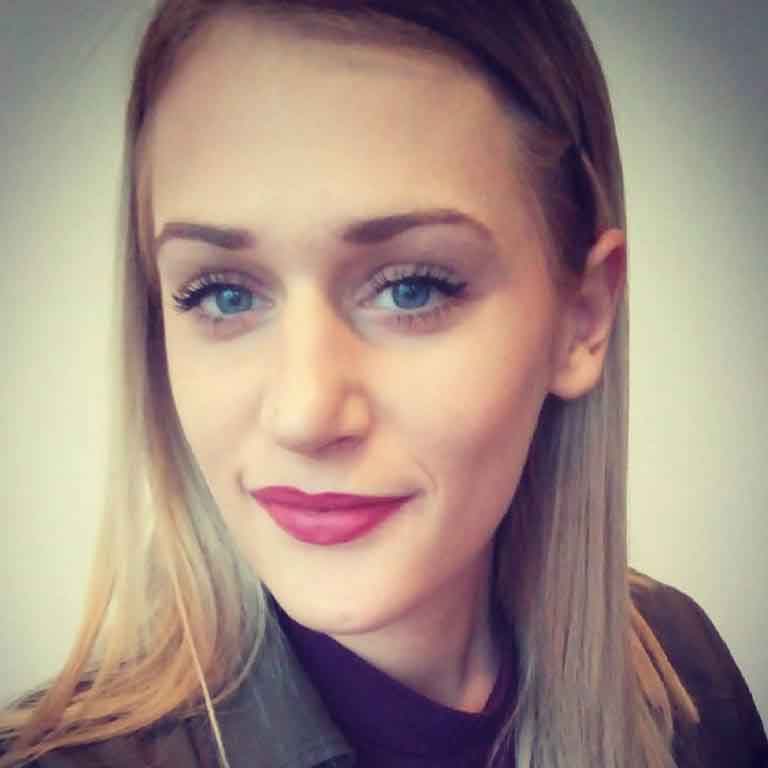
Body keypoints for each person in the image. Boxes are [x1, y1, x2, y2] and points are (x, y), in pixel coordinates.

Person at [1, 1, 766, 767]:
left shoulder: (685, 671)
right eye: (224, 295)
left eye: (412, 289)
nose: (304, 414)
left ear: (583, 319)